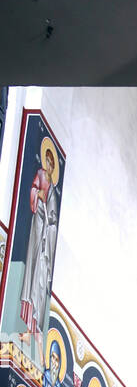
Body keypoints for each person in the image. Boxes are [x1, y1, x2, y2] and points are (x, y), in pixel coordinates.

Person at [19, 143, 60, 351]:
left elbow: (53, 219)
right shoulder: (40, 176)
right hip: (36, 231)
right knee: (31, 275)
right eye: (49, 161)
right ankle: (26, 328)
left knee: (40, 283)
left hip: (46, 240)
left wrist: (49, 216)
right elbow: (34, 192)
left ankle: (34, 331)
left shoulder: (53, 188)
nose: (51, 166)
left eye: (53, 163)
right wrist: (39, 198)